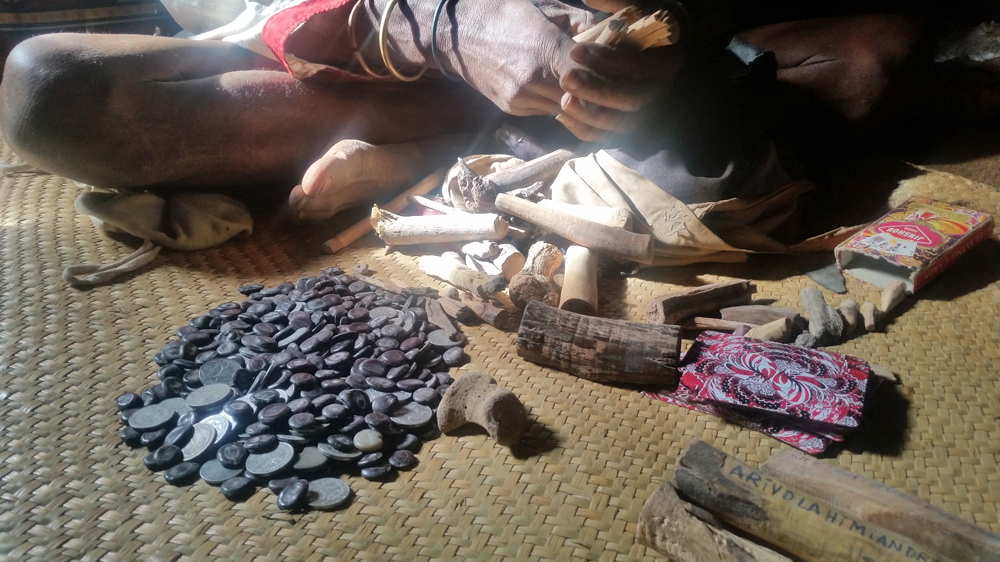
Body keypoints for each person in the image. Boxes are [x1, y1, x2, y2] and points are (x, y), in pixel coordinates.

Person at [0, 0, 994, 220]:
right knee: (54, 95)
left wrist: (646, 54)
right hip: (374, 32)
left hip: (626, 63)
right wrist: (445, 21)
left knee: (863, 79)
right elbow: (47, 79)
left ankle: (438, 140)